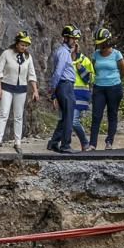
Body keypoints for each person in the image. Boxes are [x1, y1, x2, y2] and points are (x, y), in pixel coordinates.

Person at [0, 31, 39, 154]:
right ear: (17, 43)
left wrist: (35, 90)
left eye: (26, 45)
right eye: (22, 44)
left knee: (18, 116)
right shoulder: (7, 54)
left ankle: (17, 141)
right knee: (4, 113)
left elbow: (31, 74)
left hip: (21, 89)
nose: (24, 47)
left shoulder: (28, 57)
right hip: (7, 87)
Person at [88, 28, 124, 151]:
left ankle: (109, 142)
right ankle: (92, 144)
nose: (99, 45)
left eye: (101, 42)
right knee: (96, 115)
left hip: (114, 88)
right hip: (99, 88)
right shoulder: (95, 55)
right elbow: (92, 69)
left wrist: (115, 80)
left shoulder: (116, 54)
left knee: (112, 114)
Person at [47, 26, 77, 154]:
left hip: (64, 85)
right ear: (65, 38)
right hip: (65, 85)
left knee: (65, 117)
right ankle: (65, 145)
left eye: (75, 39)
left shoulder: (63, 52)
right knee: (69, 116)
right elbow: (58, 71)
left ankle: (53, 143)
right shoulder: (64, 52)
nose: (74, 41)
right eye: (72, 38)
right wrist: (53, 89)